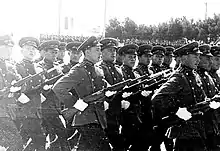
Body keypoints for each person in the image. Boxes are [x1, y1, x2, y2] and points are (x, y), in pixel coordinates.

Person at [53, 36, 111, 151]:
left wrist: (109, 94)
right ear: (87, 52)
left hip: (98, 117)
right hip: (85, 117)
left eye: (100, 50)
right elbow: (58, 87)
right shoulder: (79, 70)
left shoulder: (99, 70)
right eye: (97, 50)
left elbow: (106, 87)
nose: (100, 53)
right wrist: (76, 104)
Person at [151, 42, 209, 151]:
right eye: (195, 56)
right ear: (184, 57)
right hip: (184, 132)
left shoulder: (194, 75)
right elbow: (157, 99)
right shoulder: (179, 77)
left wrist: (208, 103)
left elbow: (200, 98)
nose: (198, 60)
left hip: (198, 129)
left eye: (198, 57)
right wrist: (176, 111)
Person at [38, 40, 71, 151]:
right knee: (48, 137)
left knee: (58, 136)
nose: (55, 55)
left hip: (56, 106)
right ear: (45, 52)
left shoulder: (59, 66)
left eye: (56, 52)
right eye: (52, 52)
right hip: (44, 107)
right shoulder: (39, 66)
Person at [16, 37, 46, 151]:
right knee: (39, 138)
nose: (31, 51)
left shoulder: (38, 67)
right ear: (22, 51)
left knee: (25, 138)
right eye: (28, 48)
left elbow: (41, 84)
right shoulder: (18, 66)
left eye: (33, 49)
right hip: (25, 107)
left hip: (36, 107)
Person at [100, 38, 124, 151]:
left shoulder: (118, 69)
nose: (113, 53)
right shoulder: (100, 69)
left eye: (114, 50)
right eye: (110, 50)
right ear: (101, 52)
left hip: (116, 112)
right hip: (105, 113)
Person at [0, 34, 23, 151]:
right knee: (16, 143)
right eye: (6, 47)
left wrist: (17, 87)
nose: (9, 51)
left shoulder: (10, 66)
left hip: (10, 110)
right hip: (1, 112)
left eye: (11, 48)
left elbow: (21, 83)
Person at [197, 44, 220, 151]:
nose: (211, 62)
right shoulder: (195, 77)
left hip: (211, 123)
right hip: (200, 126)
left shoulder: (208, 76)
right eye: (208, 59)